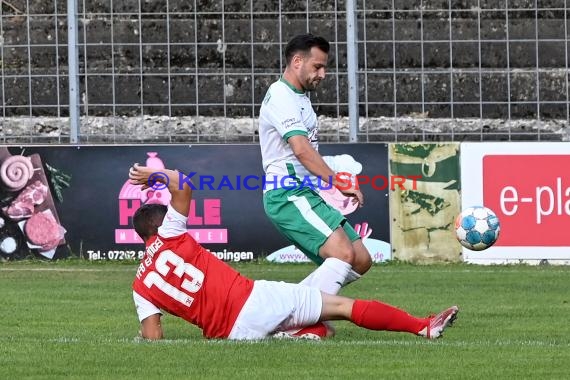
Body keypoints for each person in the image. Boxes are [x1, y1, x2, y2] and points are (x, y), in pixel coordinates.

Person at [128, 164, 459, 341]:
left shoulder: (140, 287)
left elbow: (154, 337)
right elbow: (183, 184)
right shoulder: (171, 234)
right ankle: (422, 326)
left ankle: (302, 334)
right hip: (253, 300)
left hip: (229, 335)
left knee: (315, 310)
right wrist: (154, 174)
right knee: (342, 306)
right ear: (160, 225)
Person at [258, 34, 372, 336]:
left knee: (360, 259)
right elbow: (301, 150)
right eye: (318, 67)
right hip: (286, 194)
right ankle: (297, 323)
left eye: (324, 68)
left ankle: (292, 308)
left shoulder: (300, 97)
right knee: (343, 255)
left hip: (303, 191)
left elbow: (311, 153)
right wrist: (336, 182)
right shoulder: (281, 96)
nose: (322, 74)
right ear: (297, 62)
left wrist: (336, 174)